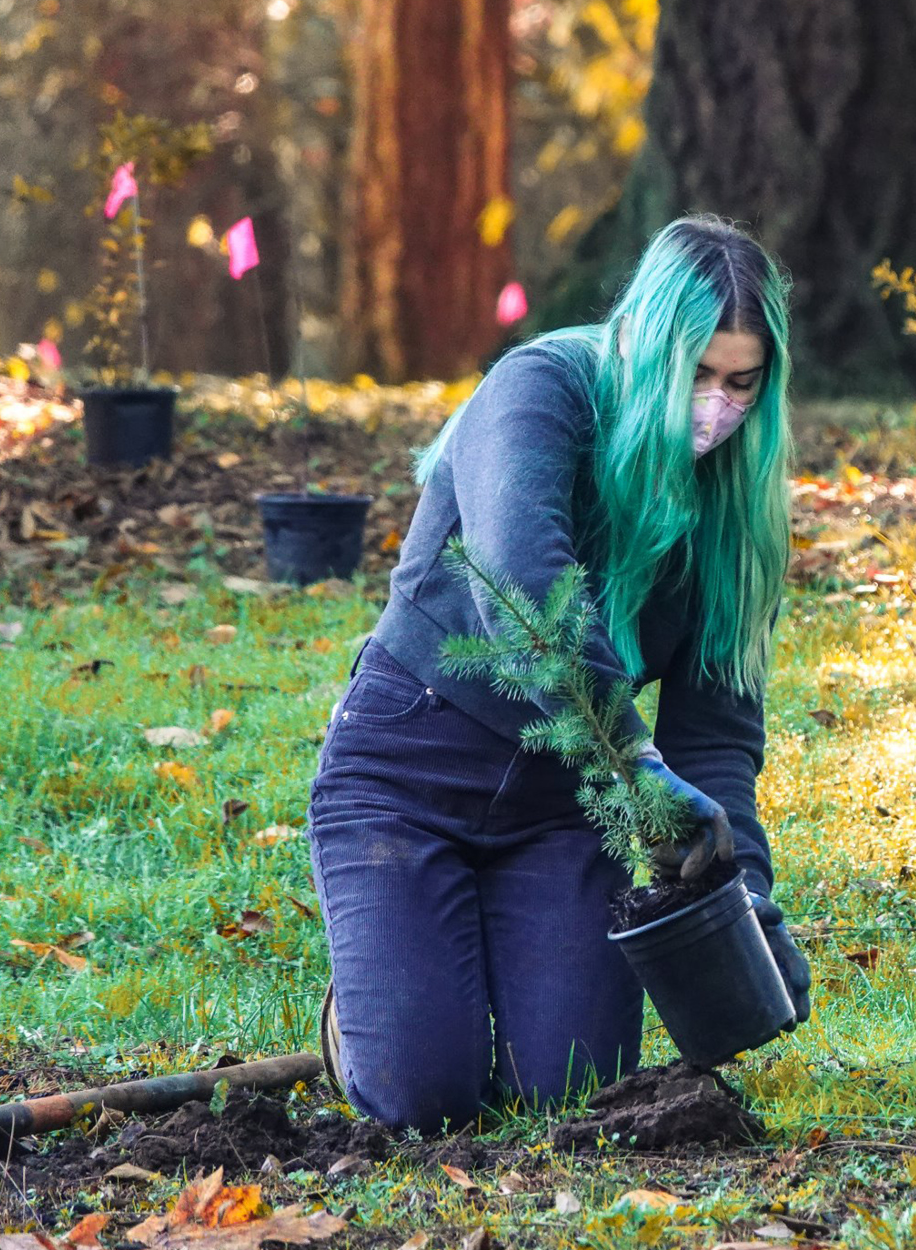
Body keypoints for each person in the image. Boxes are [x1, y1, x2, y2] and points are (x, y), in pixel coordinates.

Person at [305, 215, 812, 1134]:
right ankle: (371, 1014)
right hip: (405, 776)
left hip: (566, 808)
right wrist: (638, 764)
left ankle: (460, 980)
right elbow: (525, 595)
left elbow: (717, 736)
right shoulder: (540, 389)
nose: (716, 406)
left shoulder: (729, 506)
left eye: (742, 383)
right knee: (425, 1101)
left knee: (572, 1093)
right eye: (695, 374)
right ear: (647, 347)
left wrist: (746, 898)